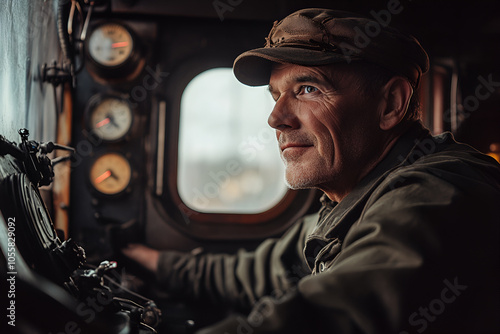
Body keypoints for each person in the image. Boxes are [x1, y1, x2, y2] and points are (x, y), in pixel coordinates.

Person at [123, 8, 500, 334]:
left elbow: (332, 316)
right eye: (276, 95)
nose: (276, 119)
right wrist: (149, 260)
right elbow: (254, 273)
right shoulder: (351, 201)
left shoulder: (438, 195)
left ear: (391, 104)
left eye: (307, 89)